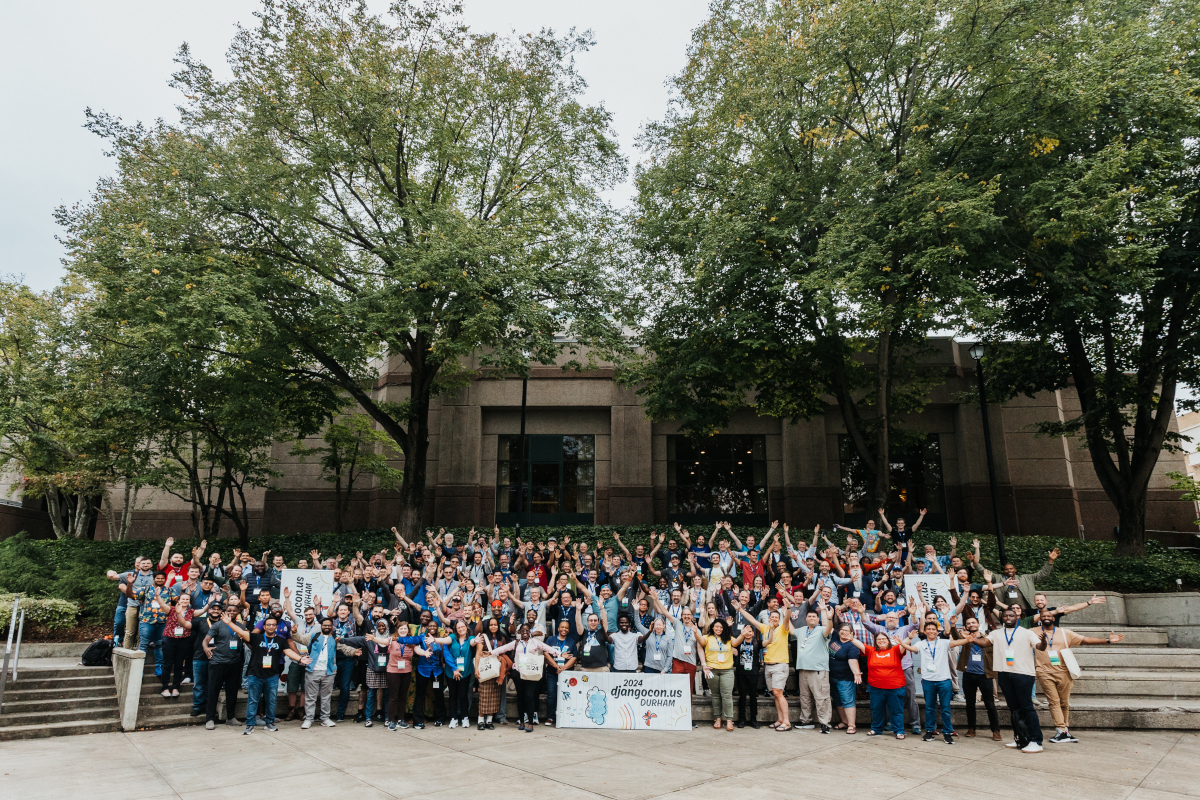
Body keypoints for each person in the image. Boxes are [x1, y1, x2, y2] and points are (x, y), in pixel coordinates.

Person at [1034, 610, 1126, 743]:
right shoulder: (1032, 631)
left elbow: (1085, 640)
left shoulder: (1065, 633)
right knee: (1054, 701)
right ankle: (1060, 730)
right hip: (1044, 671)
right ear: (1040, 619)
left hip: (1064, 671)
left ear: (1053, 618)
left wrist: (1107, 640)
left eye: (1049, 616)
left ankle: (1065, 730)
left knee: (1064, 702)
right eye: (1044, 616)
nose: (1046, 617)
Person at [972, 605, 1045, 752]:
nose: (1008, 618)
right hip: (1004, 673)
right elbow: (984, 643)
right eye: (1005, 616)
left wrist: (1043, 642)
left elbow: (1040, 647)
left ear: (1017, 617)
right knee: (1013, 708)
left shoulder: (1027, 632)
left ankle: (1036, 741)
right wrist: (970, 639)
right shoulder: (996, 633)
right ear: (1001, 618)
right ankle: (1020, 738)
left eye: (1011, 615)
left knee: (1027, 707)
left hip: (1023, 673)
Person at [899, 621, 973, 744]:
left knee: (945, 708)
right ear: (925, 631)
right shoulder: (921, 644)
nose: (931, 631)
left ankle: (948, 733)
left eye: (933, 629)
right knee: (929, 708)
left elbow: (956, 642)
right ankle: (929, 732)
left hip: (944, 680)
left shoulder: (944, 643)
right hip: (928, 681)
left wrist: (967, 640)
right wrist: (902, 643)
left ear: (937, 631)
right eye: (929, 629)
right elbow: (912, 648)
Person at [236, 615, 301, 734]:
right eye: (268, 625)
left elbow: (288, 652)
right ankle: (250, 724)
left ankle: (269, 722)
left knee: (271, 701)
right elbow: (240, 631)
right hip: (255, 675)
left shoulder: (281, 640)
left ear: (276, 627)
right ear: (264, 627)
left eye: (273, 625)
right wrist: (228, 622)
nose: (271, 626)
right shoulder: (256, 637)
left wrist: (300, 659)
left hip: (272, 676)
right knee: (252, 700)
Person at [490, 623, 561, 732]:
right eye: (522, 631)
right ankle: (522, 721)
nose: (525, 633)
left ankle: (531, 723)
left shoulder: (535, 642)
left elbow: (547, 648)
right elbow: (503, 648)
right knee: (521, 697)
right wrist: (490, 653)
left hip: (531, 673)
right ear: (519, 632)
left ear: (530, 631)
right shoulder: (516, 643)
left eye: (527, 630)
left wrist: (559, 653)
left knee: (529, 697)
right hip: (518, 673)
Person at [734, 598, 792, 730]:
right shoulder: (766, 628)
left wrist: (788, 609)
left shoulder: (784, 627)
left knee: (778, 692)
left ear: (779, 618)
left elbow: (787, 619)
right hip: (768, 665)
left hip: (780, 664)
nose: (774, 619)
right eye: (772, 617)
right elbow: (752, 619)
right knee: (775, 694)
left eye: (777, 617)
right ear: (769, 617)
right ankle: (779, 719)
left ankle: (786, 722)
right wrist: (740, 609)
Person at [951, 615, 1002, 740]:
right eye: (968, 623)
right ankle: (971, 729)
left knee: (990, 704)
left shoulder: (988, 639)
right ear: (966, 626)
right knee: (970, 704)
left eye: (973, 622)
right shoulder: (965, 638)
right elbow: (955, 636)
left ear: (979, 624)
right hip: (969, 674)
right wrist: (952, 625)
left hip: (985, 675)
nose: (971, 625)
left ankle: (996, 731)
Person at [693, 617, 749, 731]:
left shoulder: (728, 638)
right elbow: (701, 641)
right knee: (715, 695)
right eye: (717, 626)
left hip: (727, 670)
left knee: (727, 695)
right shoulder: (707, 638)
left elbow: (736, 642)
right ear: (712, 627)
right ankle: (717, 718)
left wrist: (742, 635)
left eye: (721, 627)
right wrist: (695, 632)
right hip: (712, 670)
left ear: (724, 629)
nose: (719, 629)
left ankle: (729, 720)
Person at [852, 630, 908, 739]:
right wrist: (850, 638)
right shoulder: (871, 651)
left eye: (883, 639)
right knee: (876, 709)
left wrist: (909, 638)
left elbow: (903, 647)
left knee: (896, 710)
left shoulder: (895, 649)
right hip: (876, 687)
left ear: (888, 640)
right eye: (879, 639)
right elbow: (859, 644)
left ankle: (899, 731)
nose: (881, 641)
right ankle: (876, 729)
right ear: (875, 642)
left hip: (895, 687)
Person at [202, 602, 247, 730]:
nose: (232, 613)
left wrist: (244, 636)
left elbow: (249, 642)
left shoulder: (240, 627)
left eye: (234, 611)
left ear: (238, 612)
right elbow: (205, 640)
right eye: (229, 610)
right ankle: (210, 719)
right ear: (225, 612)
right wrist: (206, 648)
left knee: (232, 692)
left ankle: (231, 717)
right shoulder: (218, 625)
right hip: (218, 663)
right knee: (213, 691)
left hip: (234, 663)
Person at [827, 622, 862, 734]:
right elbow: (827, 625)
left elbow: (852, 661)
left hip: (845, 679)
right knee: (837, 701)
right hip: (832, 677)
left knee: (847, 701)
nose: (843, 632)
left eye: (847, 630)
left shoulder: (852, 646)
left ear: (852, 633)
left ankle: (852, 725)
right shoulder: (836, 636)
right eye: (842, 629)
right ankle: (844, 721)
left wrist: (856, 673)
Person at [543, 618, 578, 726]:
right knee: (551, 694)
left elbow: (574, 658)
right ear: (558, 628)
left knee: (566, 695)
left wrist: (563, 668)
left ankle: (565, 716)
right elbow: (546, 653)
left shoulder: (572, 642)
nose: (564, 629)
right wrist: (556, 666)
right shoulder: (550, 640)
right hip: (552, 672)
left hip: (566, 674)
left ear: (568, 630)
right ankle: (550, 717)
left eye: (566, 628)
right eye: (562, 627)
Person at [475, 617, 507, 730]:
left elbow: (504, 653)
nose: (493, 626)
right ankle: (480, 721)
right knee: (484, 696)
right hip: (485, 669)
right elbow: (478, 654)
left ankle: (489, 721)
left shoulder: (502, 638)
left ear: (498, 626)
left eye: (495, 625)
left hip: (496, 670)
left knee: (494, 696)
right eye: (491, 625)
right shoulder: (483, 638)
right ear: (487, 626)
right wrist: (476, 669)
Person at [159, 592, 193, 697]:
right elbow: (162, 605)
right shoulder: (171, 609)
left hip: (183, 640)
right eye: (183, 599)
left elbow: (204, 611)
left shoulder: (191, 612)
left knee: (179, 665)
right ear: (178, 600)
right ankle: (165, 687)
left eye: (187, 599)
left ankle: (175, 688)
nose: (185, 601)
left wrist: (209, 603)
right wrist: (157, 596)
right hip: (169, 639)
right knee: (167, 664)